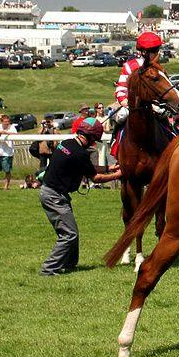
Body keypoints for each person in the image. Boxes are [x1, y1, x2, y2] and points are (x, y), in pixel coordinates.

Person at [38, 118, 121, 275]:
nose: (94, 143)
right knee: (69, 234)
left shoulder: (68, 143)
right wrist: (119, 175)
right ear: (90, 137)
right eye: (94, 140)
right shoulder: (79, 153)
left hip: (50, 192)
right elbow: (95, 177)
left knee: (71, 232)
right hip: (54, 196)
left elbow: (86, 167)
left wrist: (109, 168)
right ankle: (48, 269)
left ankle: (70, 265)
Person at [113, 31, 179, 134]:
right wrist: (127, 103)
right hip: (133, 107)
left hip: (156, 108)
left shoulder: (159, 68)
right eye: (154, 50)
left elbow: (166, 89)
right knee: (120, 117)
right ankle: (114, 143)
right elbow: (121, 90)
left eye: (157, 49)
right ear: (143, 52)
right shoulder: (130, 66)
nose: (157, 53)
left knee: (168, 125)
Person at [0, 114, 18, 190]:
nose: (7, 123)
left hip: (8, 153)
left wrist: (6, 133)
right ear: (2, 121)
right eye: (5, 121)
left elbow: (16, 134)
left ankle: (6, 187)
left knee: (7, 171)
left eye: (8, 121)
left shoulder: (12, 127)